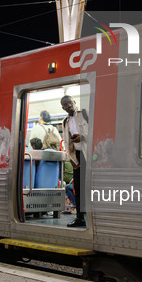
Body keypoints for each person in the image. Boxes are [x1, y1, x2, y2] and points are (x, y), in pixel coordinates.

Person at [60, 95, 88, 227]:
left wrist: (82, 137)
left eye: (70, 103)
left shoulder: (84, 113)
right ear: (63, 108)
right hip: (76, 155)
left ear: (74, 102)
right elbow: (66, 142)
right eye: (65, 104)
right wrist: (71, 160)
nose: (68, 105)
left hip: (89, 153)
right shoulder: (65, 121)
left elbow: (96, 130)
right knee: (78, 187)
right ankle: (80, 218)